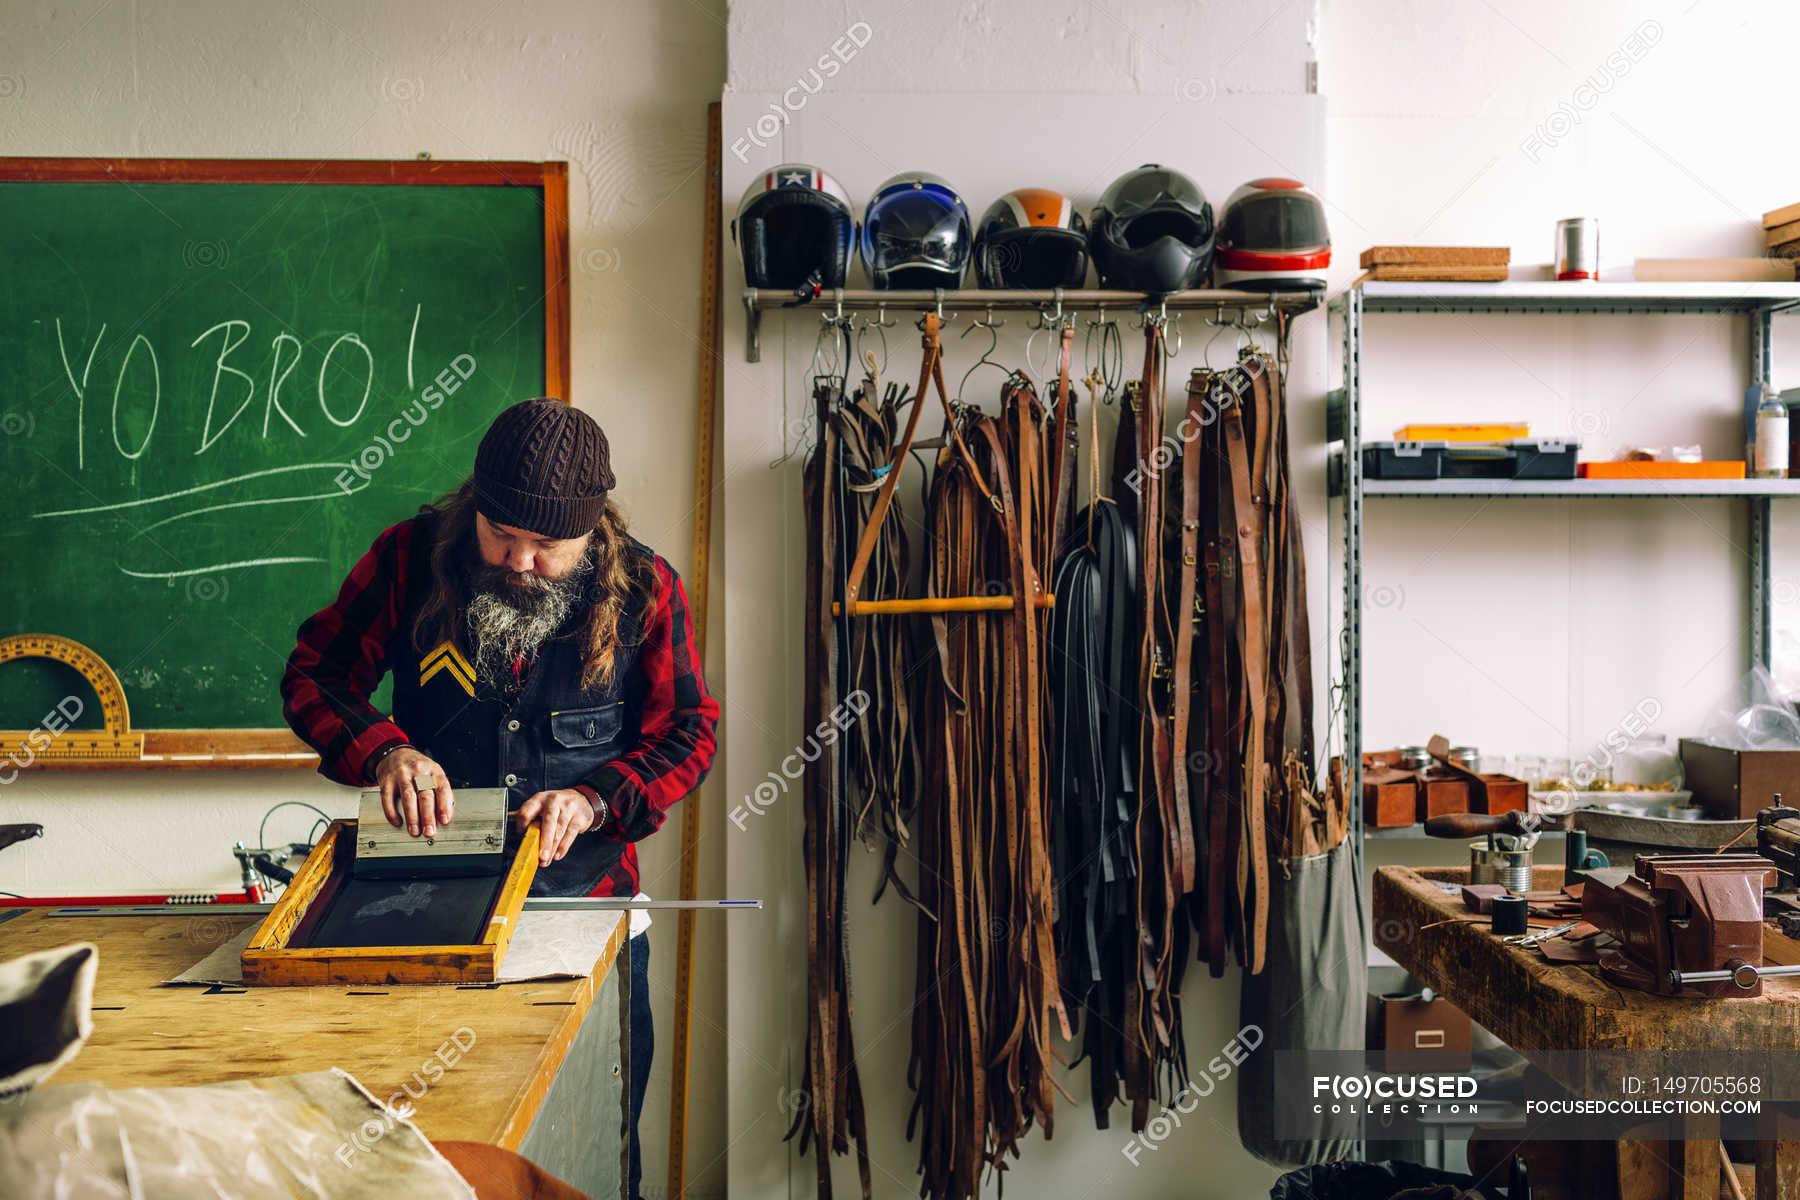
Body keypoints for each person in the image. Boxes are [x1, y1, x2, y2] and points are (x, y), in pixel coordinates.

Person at [281, 396, 717, 1200]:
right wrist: (386, 751)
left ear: (591, 531)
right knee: (429, 1160)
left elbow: (689, 732)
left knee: (594, 1153)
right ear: (475, 507)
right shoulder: (408, 559)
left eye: (547, 546)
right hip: (424, 922)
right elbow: (316, 674)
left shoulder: (647, 588)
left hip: (584, 919)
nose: (518, 561)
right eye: (500, 533)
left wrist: (593, 799)